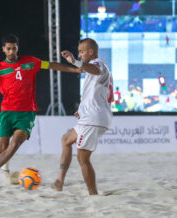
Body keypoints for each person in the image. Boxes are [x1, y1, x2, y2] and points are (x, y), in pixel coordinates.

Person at [0, 34, 80, 188]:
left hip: (26, 113)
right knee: (1, 149)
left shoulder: (31, 62)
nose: (12, 52)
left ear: (18, 48)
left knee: (15, 143)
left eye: (14, 48)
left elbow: (52, 65)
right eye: (8, 49)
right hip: (7, 112)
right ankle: (6, 174)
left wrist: (75, 70)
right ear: (3, 49)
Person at [51, 38, 113, 195]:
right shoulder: (93, 69)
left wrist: (74, 61)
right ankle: (59, 181)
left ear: (91, 52)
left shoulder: (99, 64)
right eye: (78, 52)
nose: (79, 54)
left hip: (94, 118)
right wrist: (82, 109)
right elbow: (95, 94)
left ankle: (93, 194)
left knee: (83, 159)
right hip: (90, 116)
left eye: (81, 52)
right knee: (66, 140)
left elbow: (95, 70)